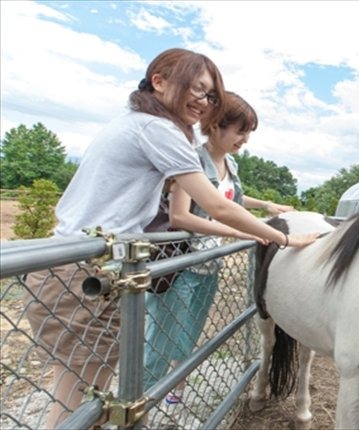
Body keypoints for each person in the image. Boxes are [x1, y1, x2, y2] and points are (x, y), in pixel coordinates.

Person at [23, 48, 318, 429]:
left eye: (211, 95)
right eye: (196, 90)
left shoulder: (138, 122)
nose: (204, 102)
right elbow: (216, 205)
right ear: (159, 81)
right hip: (85, 275)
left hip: (77, 268)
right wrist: (284, 240)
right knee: (76, 405)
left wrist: (263, 212)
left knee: (85, 397)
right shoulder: (158, 130)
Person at [143, 91, 293, 406]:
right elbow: (180, 215)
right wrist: (236, 230)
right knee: (161, 339)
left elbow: (229, 199)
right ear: (215, 126)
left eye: (248, 133)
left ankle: (174, 395)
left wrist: (265, 204)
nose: (245, 139)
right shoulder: (191, 160)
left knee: (186, 336)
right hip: (181, 265)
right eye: (240, 131)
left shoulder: (230, 164)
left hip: (208, 265)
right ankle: (140, 401)